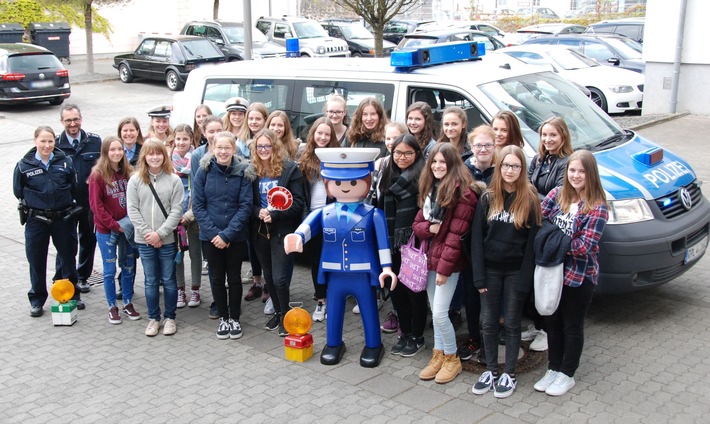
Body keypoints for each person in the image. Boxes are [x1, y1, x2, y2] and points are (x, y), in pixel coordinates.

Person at [285, 148, 396, 368]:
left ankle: (374, 344)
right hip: (334, 273)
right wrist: (297, 238)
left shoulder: (373, 213)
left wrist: (387, 268)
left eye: (354, 182)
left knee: (368, 309)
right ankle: (333, 343)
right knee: (334, 310)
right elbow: (306, 228)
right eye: (337, 182)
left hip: (363, 273)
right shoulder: (324, 212)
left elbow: (384, 243)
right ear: (328, 183)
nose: (345, 186)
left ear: (366, 181)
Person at [534, 150, 608, 397]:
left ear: (591, 174)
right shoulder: (557, 195)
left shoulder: (598, 207)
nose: (576, 175)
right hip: (552, 272)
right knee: (552, 323)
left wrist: (554, 240)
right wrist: (560, 238)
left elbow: (584, 246)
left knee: (572, 325)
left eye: (581, 171)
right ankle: (553, 368)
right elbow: (540, 225)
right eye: (572, 170)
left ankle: (567, 373)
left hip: (579, 276)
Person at [470, 145, 541, 398]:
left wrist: (524, 280)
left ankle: (509, 373)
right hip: (489, 271)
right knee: (488, 323)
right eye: (506, 166)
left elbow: (532, 245)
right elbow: (476, 240)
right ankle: (491, 369)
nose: (510, 170)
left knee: (511, 324)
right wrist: (478, 275)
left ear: (522, 169)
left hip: (515, 273)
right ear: (499, 168)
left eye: (515, 166)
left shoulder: (530, 199)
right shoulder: (488, 197)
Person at [413, 142, 481, 384]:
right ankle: (438, 355)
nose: (437, 166)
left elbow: (454, 237)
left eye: (443, 162)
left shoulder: (464, 194)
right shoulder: (432, 189)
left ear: (453, 164)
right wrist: (430, 227)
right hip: (429, 258)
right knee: (435, 310)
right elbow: (418, 224)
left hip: (447, 263)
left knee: (441, 313)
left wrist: (444, 270)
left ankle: (452, 358)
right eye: (434, 161)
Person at [14, 126, 83, 317]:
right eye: (43, 141)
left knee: (68, 257)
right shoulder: (23, 165)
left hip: (63, 218)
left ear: (55, 141)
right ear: (35, 140)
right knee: (36, 260)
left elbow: (73, 187)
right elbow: (18, 191)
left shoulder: (66, 162)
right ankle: (37, 299)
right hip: (36, 220)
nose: (47, 145)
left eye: (50, 141)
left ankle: (72, 294)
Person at [192, 131, 252, 339]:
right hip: (210, 237)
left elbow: (245, 206)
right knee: (216, 278)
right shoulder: (204, 171)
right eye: (219, 148)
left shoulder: (244, 171)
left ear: (233, 149)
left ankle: (235, 318)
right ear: (213, 149)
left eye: (227, 148)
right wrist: (214, 234)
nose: (223, 151)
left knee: (234, 278)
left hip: (235, 237)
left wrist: (227, 235)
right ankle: (223, 318)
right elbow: (198, 206)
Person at [374, 134, 427, 356]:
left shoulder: (423, 177)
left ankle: (417, 336)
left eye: (407, 153)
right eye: (398, 153)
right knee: (396, 290)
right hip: (390, 243)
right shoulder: (387, 173)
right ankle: (404, 333)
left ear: (416, 154)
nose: (402, 157)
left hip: (413, 245)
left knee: (414, 292)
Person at [248, 129, 305, 335]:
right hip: (259, 231)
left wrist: (276, 214)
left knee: (281, 277)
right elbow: (246, 203)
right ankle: (279, 314)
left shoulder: (289, 170)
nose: (263, 150)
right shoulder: (250, 171)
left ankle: (286, 314)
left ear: (275, 147)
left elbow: (298, 203)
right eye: (259, 146)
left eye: (267, 146)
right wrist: (257, 211)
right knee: (269, 276)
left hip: (282, 230)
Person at [525, 116, 575, 351]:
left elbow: (559, 197)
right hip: (536, 225)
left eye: (552, 135)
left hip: (552, 229)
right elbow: (526, 185)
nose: (547, 139)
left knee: (548, 281)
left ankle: (548, 330)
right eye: (544, 135)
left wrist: (532, 197)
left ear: (562, 136)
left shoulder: (567, 163)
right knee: (535, 279)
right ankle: (538, 324)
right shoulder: (538, 159)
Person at [127, 139, 184, 337]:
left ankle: (170, 317)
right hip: (144, 241)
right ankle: (153, 318)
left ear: (164, 155)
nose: (154, 157)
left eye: (158, 153)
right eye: (150, 154)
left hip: (167, 239)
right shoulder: (135, 180)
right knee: (150, 281)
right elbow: (132, 210)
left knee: (169, 280)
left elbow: (177, 210)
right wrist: (148, 234)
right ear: (144, 156)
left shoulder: (174, 180)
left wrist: (160, 233)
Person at [88, 135, 141, 324]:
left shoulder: (129, 172)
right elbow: (96, 206)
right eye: (112, 149)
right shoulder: (97, 175)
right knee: (109, 270)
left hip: (127, 228)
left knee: (128, 266)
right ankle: (112, 306)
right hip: (107, 230)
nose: (117, 153)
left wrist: (127, 224)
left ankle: (127, 302)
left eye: (119, 149)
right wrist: (114, 225)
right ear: (105, 152)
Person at [54, 103, 101, 295]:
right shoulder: (56, 144)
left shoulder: (95, 142)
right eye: (68, 120)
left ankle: (82, 277)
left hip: (89, 202)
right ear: (62, 121)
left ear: (81, 119)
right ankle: (63, 277)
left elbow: (102, 166)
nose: (73, 124)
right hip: (65, 204)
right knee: (65, 242)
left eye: (76, 119)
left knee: (88, 240)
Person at [297, 117, 340, 322]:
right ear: (313, 134)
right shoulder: (304, 158)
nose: (322, 137)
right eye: (319, 133)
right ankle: (321, 300)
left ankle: (335, 298)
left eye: (327, 134)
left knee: (332, 260)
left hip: (332, 217)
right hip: (312, 217)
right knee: (316, 261)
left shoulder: (337, 158)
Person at [190, 115, 225, 319]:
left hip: (228, 219)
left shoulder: (230, 150)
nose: (215, 135)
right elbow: (197, 191)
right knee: (213, 266)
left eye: (219, 130)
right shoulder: (197, 156)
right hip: (208, 220)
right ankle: (216, 300)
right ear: (203, 133)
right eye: (211, 131)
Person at [172, 124, 202, 308]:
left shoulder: (197, 159)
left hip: (194, 214)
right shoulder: (168, 160)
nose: (181, 142)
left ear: (191, 139)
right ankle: (180, 289)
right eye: (178, 139)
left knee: (195, 252)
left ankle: (196, 290)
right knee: (178, 253)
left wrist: (189, 215)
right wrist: (175, 216)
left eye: (185, 139)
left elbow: (201, 190)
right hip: (175, 216)